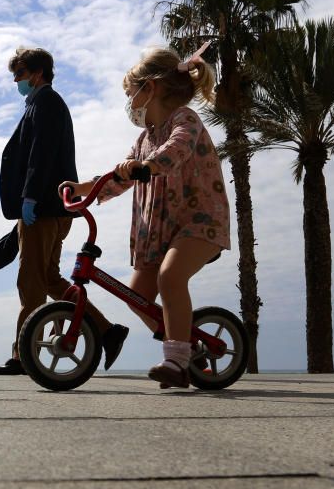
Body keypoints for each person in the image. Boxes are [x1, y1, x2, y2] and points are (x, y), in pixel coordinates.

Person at [59, 43, 230, 388]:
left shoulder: (185, 119)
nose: (129, 103)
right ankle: (187, 346)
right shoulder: (142, 140)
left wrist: (149, 166)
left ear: (148, 89)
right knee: (137, 296)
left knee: (170, 278)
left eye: (130, 93)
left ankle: (178, 360)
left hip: (198, 222)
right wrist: (83, 189)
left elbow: (178, 148)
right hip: (160, 229)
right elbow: (119, 177)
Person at [0, 47, 129, 375]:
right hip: (53, 208)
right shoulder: (41, 103)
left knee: (31, 281)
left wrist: (31, 197)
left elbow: (42, 154)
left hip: (44, 207)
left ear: (37, 73)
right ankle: (107, 331)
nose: (16, 80)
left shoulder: (46, 102)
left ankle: (23, 356)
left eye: (20, 74)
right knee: (49, 277)